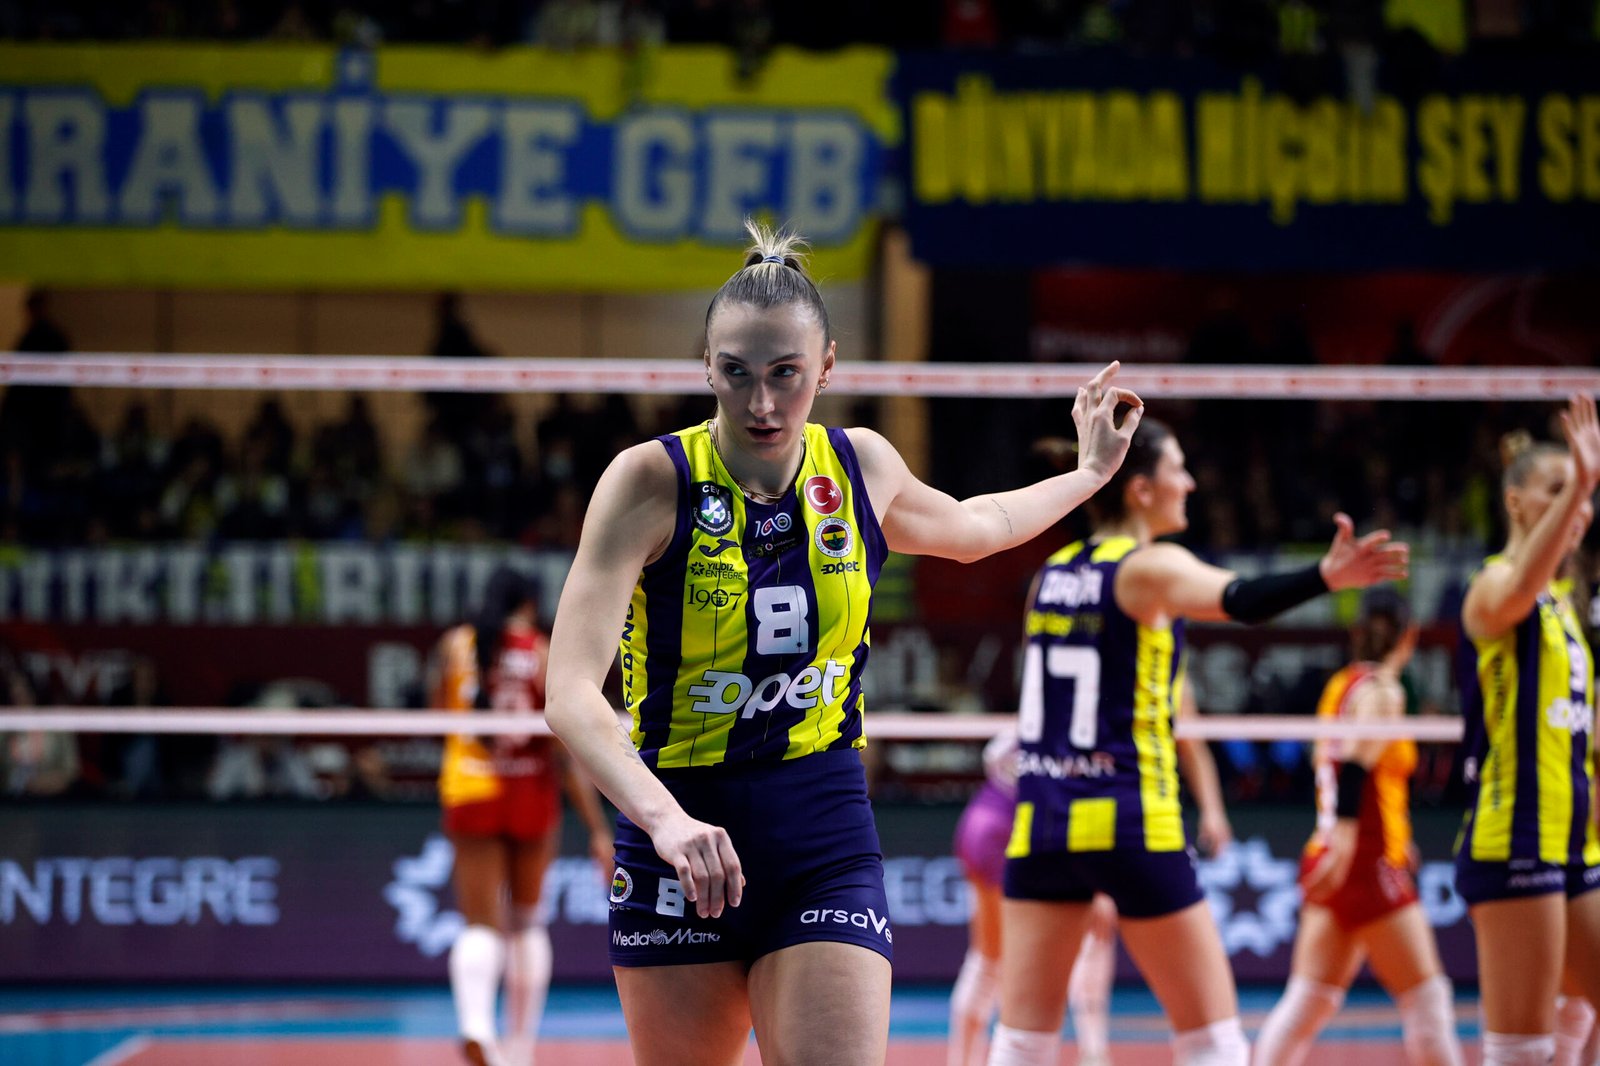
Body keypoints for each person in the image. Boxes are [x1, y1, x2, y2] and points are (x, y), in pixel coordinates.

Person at [543, 220, 1144, 1066]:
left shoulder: (861, 465)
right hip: (679, 832)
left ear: (826, 367)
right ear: (705, 366)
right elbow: (569, 694)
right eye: (736, 373)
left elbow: (978, 527)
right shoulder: (649, 481)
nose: (761, 403)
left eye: (785, 374)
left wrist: (1088, 475)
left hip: (821, 829)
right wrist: (667, 821)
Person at [988, 416, 1408, 1066]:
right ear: (1141, 490)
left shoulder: (1051, 574)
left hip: (1043, 823)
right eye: (1177, 469)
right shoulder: (1148, 567)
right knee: (1213, 1041)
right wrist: (1323, 576)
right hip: (1130, 820)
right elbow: (1240, 598)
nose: (1188, 483)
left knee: (1021, 1043)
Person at [949, 683, 1232, 1066]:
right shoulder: (1126, 691)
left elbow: (997, 755)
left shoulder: (1056, 670)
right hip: (1052, 820)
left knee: (988, 960)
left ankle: (963, 1059)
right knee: (1092, 936)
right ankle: (1094, 1052)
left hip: (985, 816)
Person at [1255, 589, 1464, 1066]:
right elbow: (1352, 770)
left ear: (1357, 632)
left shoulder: (1341, 684)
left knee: (1310, 1000)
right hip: (1363, 857)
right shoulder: (1386, 692)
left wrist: (1397, 837)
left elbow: (1334, 767)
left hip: (1335, 847)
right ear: (1409, 636)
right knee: (1428, 999)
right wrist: (1349, 844)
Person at [1453, 396, 1600, 1066]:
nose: (1580, 506)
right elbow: (1516, 590)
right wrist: (1583, 483)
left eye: (1584, 495)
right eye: (1558, 490)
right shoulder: (1492, 587)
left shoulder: (1563, 609)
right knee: (1521, 1052)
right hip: (1515, 838)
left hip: (1574, 843)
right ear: (1515, 504)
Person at [436, 566, 612, 1066]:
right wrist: (598, 829)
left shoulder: (454, 646)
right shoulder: (540, 651)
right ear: (531, 604)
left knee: (479, 923)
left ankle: (476, 1027)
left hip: (471, 789)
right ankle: (520, 1047)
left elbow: (436, 713)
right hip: (530, 795)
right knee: (527, 922)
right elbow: (565, 745)